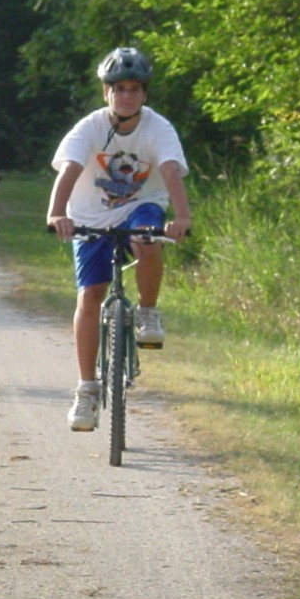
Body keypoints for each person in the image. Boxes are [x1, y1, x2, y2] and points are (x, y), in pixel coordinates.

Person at [46, 47, 192, 432]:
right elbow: (70, 170)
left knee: (147, 239)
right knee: (91, 295)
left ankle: (147, 310)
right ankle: (87, 389)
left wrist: (182, 217)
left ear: (144, 94)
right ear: (106, 92)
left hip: (140, 206)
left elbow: (171, 171)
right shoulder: (90, 127)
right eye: (119, 88)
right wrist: (57, 213)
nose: (126, 96)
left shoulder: (158, 128)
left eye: (134, 89)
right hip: (91, 215)